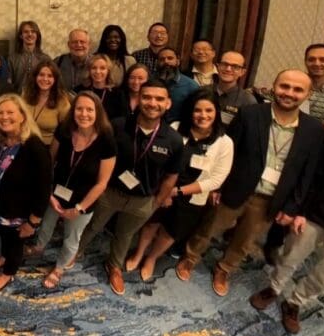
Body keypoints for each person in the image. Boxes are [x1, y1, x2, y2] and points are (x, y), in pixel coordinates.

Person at [176, 70, 324, 296]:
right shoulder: (250, 114)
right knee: (209, 227)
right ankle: (190, 257)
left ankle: (224, 268)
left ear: (308, 93)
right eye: (285, 86)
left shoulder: (314, 129)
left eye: (298, 90)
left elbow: (309, 173)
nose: (289, 93)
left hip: (272, 198)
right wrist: (218, 185)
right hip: (236, 188)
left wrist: (293, 208)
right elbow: (228, 151)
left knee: (245, 241)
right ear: (274, 86)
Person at [75, 80, 183, 295]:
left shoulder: (174, 140)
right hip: (109, 192)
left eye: (159, 98)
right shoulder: (116, 126)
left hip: (143, 200)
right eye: (147, 97)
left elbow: (171, 177)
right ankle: (75, 252)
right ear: (138, 99)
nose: (152, 103)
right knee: (92, 225)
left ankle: (114, 266)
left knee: (125, 235)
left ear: (168, 104)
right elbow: (98, 157)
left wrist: (155, 203)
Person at [124, 89, 234, 281]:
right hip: (162, 189)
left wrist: (177, 192)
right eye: (197, 110)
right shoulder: (174, 128)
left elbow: (216, 179)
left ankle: (151, 258)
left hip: (192, 197)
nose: (203, 115)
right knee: (151, 224)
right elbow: (159, 161)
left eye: (209, 110)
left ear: (217, 111)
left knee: (170, 232)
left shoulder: (224, 142)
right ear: (190, 111)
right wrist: (166, 192)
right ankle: (139, 253)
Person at [249, 131, 324, 334]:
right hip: (314, 215)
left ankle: (295, 303)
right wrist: (301, 211)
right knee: (289, 256)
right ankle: (274, 287)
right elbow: (313, 178)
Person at [33, 92, 116, 288]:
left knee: (72, 238)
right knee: (46, 225)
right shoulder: (64, 130)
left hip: (83, 201)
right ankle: (38, 247)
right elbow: (50, 162)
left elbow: (101, 184)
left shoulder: (107, 141)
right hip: (56, 193)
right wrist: (49, 194)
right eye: (79, 108)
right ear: (73, 111)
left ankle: (60, 268)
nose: (84, 114)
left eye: (89, 109)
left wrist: (78, 208)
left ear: (98, 113)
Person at [0, 94, 52, 292]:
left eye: (10, 112)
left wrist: (33, 222)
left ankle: (8, 273)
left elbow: (44, 188)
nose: (4, 117)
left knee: (15, 244)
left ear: (22, 116)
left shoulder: (35, 147)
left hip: (19, 215)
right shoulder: (3, 141)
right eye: (0, 113)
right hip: (1, 207)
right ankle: (3, 256)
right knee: (5, 237)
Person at [22, 61, 70, 146]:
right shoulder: (25, 95)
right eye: (41, 75)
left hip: (47, 147)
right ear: (35, 77)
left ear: (55, 79)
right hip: (23, 143)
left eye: (50, 76)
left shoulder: (62, 101)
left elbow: (65, 132)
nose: (45, 79)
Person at [155, 47, 199, 123]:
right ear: (157, 62)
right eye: (162, 59)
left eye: (170, 58)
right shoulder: (149, 80)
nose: (166, 62)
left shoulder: (191, 86)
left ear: (177, 61)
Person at [75, 54, 125, 120]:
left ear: (108, 71)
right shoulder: (78, 91)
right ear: (89, 70)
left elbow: (121, 120)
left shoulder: (118, 94)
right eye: (94, 68)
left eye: (102, 68)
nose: (98, 72)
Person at [213, 51, 256, 125]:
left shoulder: (248, 101)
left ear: (242, 72)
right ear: (218, 66)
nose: (228, 69)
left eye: (235, 67)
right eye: (224, 64)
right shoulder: (202, 92)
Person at [303, 43, 324, 132]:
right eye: (311, 59)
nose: (317, 63)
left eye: (323, 60)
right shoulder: (292, 86)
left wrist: (308, 125)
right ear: (305, 61)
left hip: (319, 144)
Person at [9, 20, 49, 93]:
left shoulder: (45, 59)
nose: (30, 34)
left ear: (37, 36)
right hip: (18, 98)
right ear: (21, 36)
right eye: (26, 32)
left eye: (33, 31)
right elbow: (9, 83)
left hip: (39, 98)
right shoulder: (12, 58)